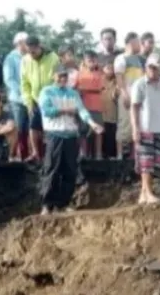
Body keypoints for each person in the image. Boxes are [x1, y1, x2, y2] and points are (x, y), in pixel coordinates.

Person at [37, 67, 103, 214]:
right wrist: (65, 111)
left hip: (71, 135)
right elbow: (47, 111)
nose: (62, 79)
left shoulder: (72, 93)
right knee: (51, 169)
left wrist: (92, 123)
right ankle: (47, 204)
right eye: (60, 76)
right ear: (53, 76)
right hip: (55, 135)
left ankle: (63, 203)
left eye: (65, 77)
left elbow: (81, 110)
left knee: (70, 170)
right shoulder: (46, 92)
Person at [130, 55, 160, 204]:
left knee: (156, 162)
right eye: (151, 67)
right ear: (146, 68)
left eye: (156, 68)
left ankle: (144, 193)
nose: (153, 71)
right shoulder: (139, 84)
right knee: (146, 162)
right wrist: (135, 128)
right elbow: (134, 108)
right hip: (145, 127)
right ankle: (148, 192)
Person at [21, 37, 61, 163]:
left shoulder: (53, 57)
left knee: (50, 129)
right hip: (34, 100)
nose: (31, 55)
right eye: (28, 52)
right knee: (33, 126)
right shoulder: (25, 60)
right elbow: (24, 83)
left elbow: (59, 79)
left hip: (51, 99)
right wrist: (28, 102)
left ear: (39, 47)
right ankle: (35, 153)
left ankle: (51, 154)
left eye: (33, 52)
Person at [115, 33, 147, 161]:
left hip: (139, 98)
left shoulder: (141, 60)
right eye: (137, 42)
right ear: (130, 43)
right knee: (124, 125)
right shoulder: (121, 58)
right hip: (127, 95)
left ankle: (135, 155)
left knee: (138, 125)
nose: (140, 44)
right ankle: (119, 155)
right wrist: (124, 94)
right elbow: (119, 78)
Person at [3, 32, 30, 160]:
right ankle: (14, 155)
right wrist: (23, 91)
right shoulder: (11, 58)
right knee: (18, 128)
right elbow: (9, 79)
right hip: (17, 99)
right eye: (25, 42)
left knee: (30, 129)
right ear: (19, 43)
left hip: (30, 99)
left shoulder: (30, 56)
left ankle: (28, 155)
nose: (27, 45)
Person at [76, 50, 105, 158]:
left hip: (97, 105)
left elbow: (101, 88)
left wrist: (85, 90)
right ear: (84, 60)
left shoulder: (101, 72)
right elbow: (76, 88)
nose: (91, 61)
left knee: (98, 130)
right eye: (89, 59)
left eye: (93, 59)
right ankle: (83, 153)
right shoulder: (79, 72)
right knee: (82, 131)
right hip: (83, 106)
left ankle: (98, 154)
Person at [101, 64, 120, 159]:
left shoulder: (117, 81)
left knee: (112, 136)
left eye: (112, 68)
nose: (110, 71)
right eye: (108, 68)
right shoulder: (99, 80)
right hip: (101, 114)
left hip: (113, 115)